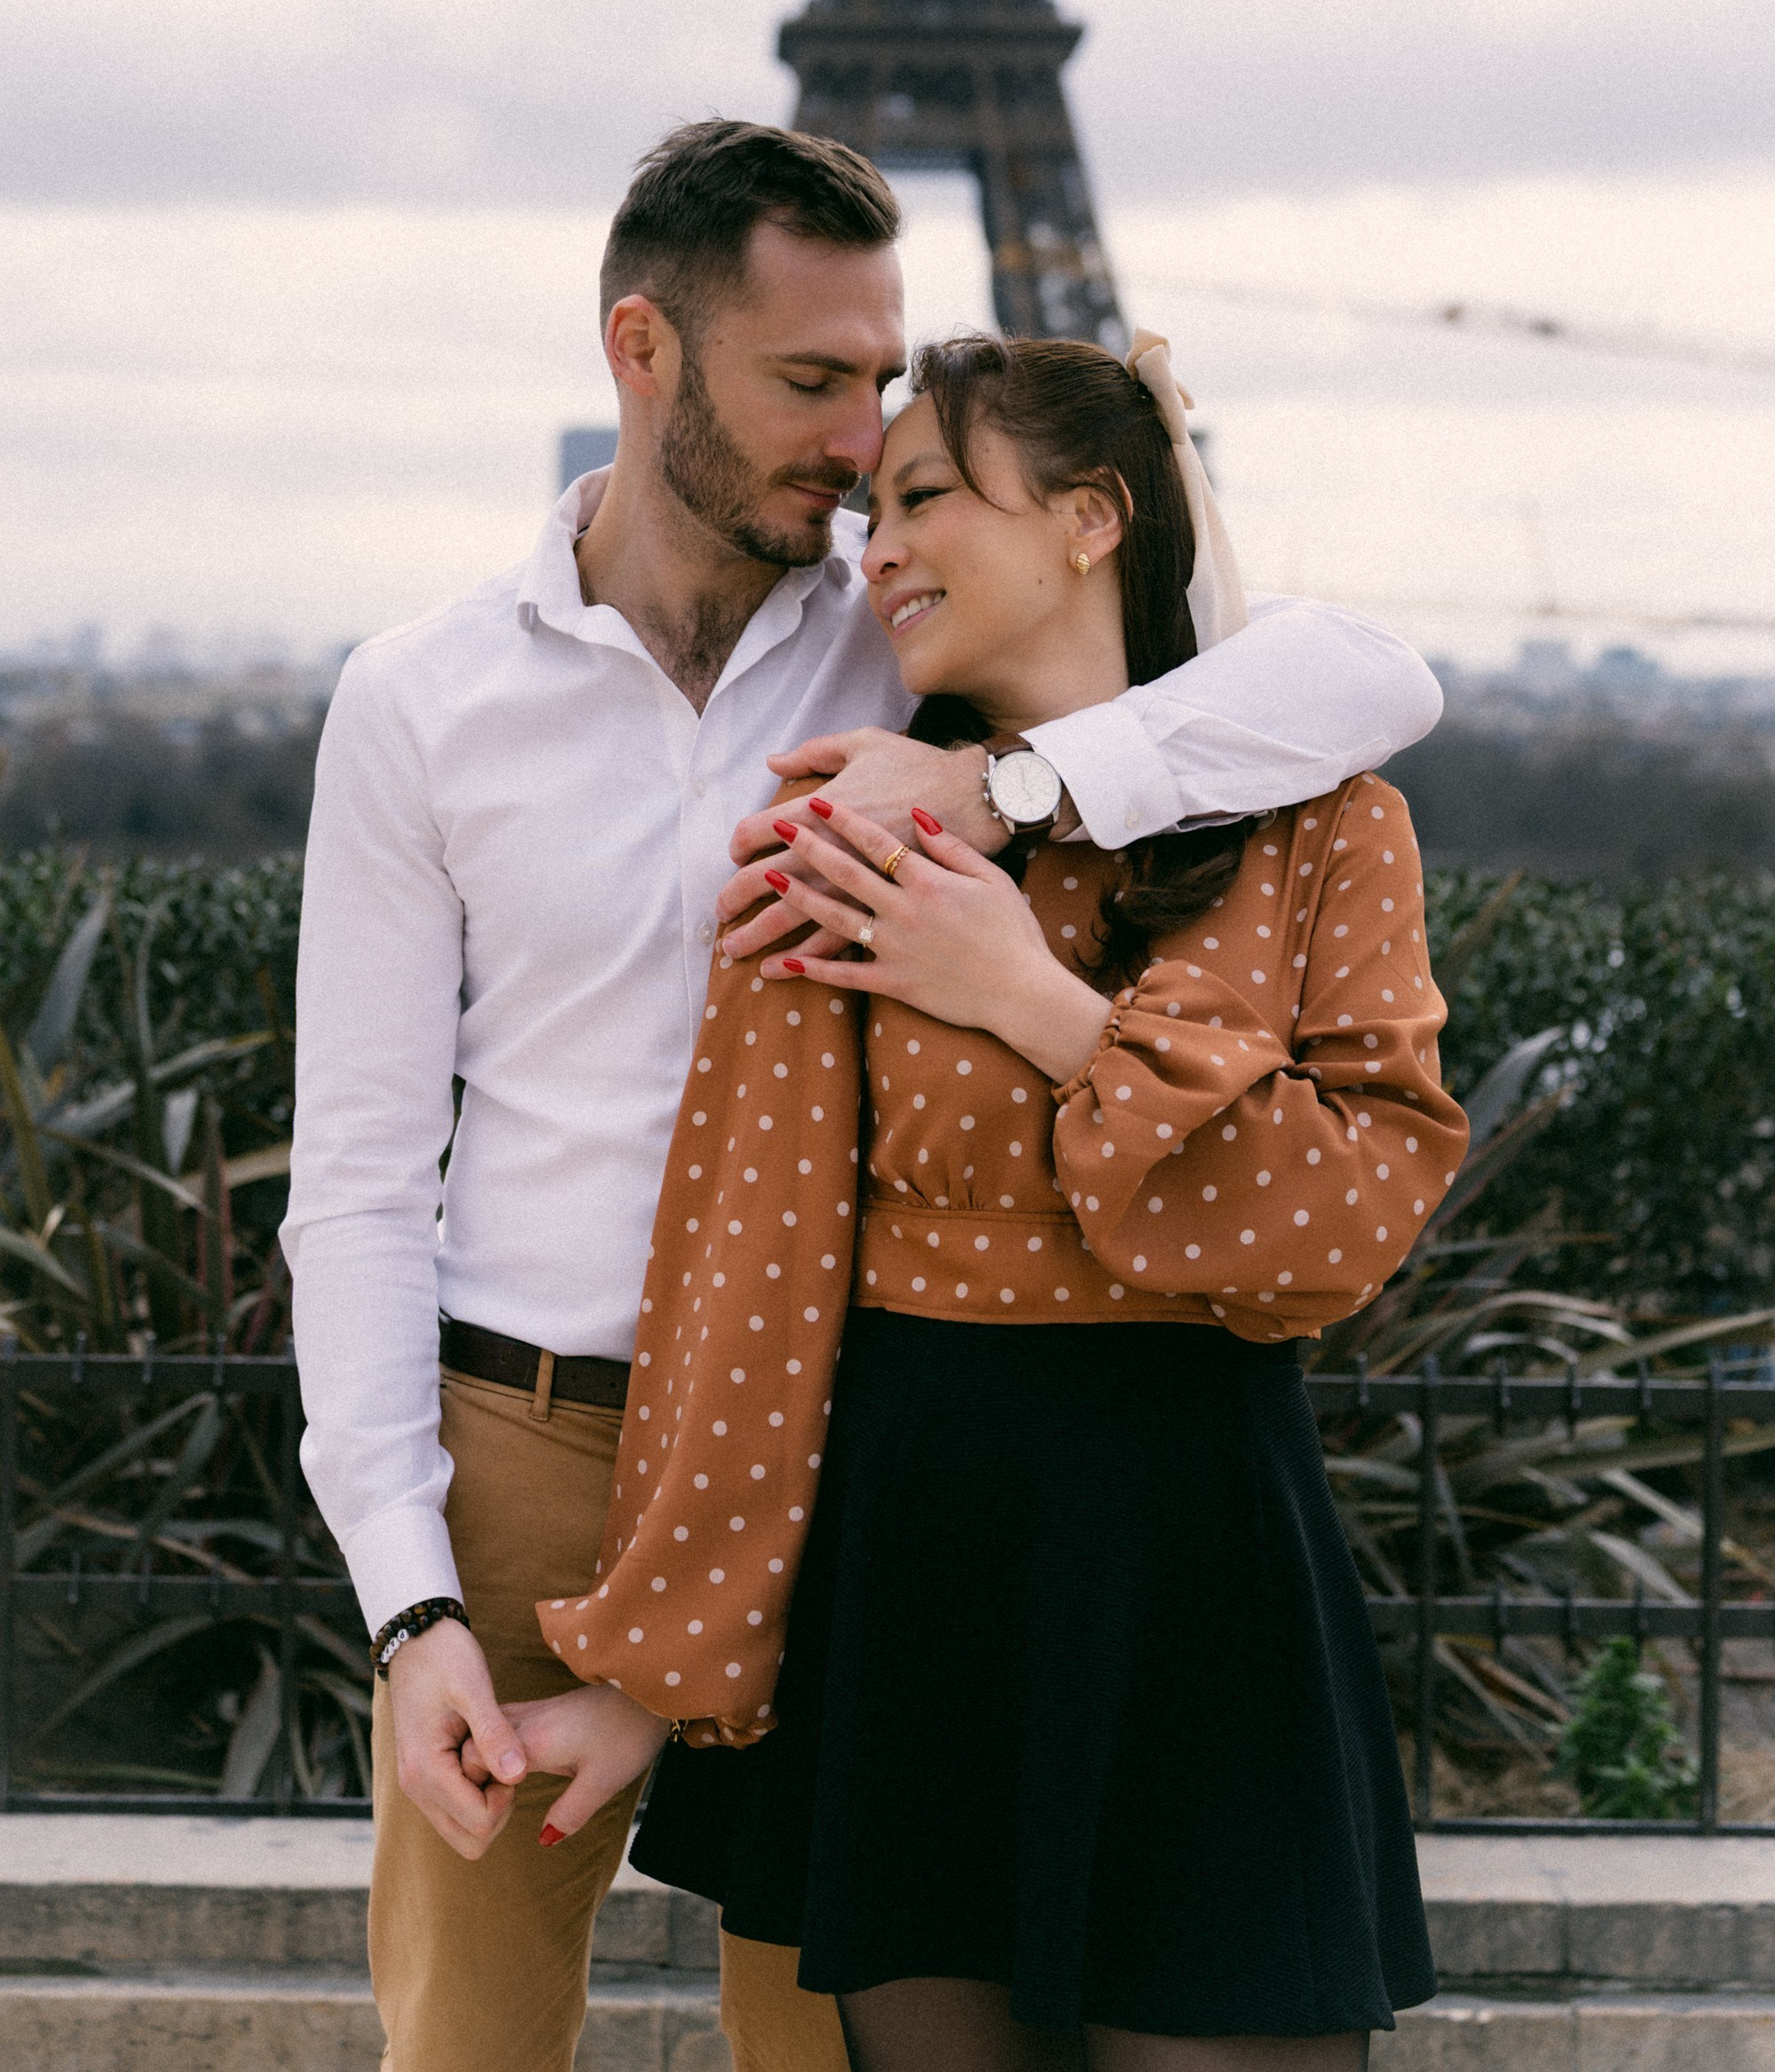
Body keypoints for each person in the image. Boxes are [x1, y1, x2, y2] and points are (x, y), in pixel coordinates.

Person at [283, 119, 1445, 2072]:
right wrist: (409, 1604)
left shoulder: (904, 650)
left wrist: (1005, 791)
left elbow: (1358, 678)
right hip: (537, 1434)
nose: (856, 456)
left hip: (851, 1445)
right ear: (642, 353)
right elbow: (360, 1181)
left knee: (818, 2048)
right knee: (465, 2048)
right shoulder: (423, 699)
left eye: (885, 398)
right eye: (810, 384)